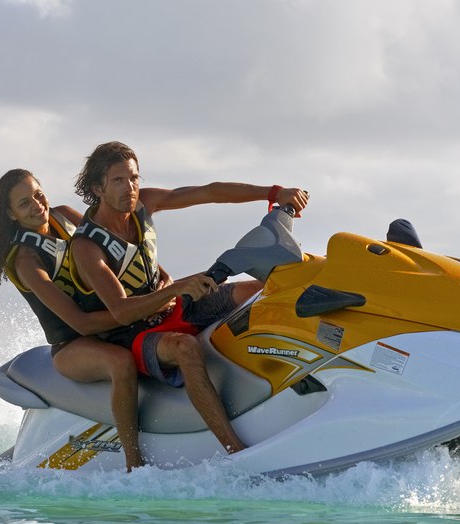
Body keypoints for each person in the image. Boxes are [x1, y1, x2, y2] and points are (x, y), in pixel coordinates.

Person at [70, 141, 308, 455]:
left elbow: (208, 192)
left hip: (171, 306)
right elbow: (121, 312)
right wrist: (175, 288)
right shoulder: (87, 247)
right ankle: (233, 448)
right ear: (97, 188)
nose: (130, 187)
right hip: (133, 335)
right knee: (186, 348)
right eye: (119, 180)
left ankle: (297, 381)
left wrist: (273, 193)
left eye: (134, 178)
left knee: (256, 290)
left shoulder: (145, 203)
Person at [0, 168, 162, 471]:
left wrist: (160, 282)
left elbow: (121, 250)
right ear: (11, 214)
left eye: (38, 195)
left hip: (118, 319)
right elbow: (80, 324)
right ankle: (135, 464)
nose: (37, 205)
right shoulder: (25, 260)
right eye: (24, 203)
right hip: (73, 344)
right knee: (120, 363)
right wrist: (136, 310)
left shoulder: (68, 216)